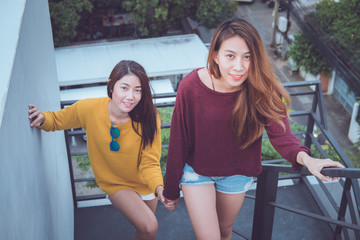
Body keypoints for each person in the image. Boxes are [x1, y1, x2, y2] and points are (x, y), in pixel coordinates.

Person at [162, 18, 344, 240]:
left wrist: (310, 160)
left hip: (237, 174)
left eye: (247, 57)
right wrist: (171, 189)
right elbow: (179, 139)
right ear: (215, 55)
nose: (239, 66)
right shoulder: (191, 85)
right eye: (230, 56)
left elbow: (283, 138)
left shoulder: (262, 90)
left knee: (225, 231)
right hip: (197, 172)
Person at [29, 60, 165, 240]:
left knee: (146, 231)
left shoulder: (149, 117)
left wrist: (159, 187)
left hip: (144, 182)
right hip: (115, 182)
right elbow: (57, 120)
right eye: (124, 88)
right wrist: (42, 117)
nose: (131, 96)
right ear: (111, 85)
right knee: (150, 226)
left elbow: (149, 161)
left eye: (137, 90)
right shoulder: (90, 109)